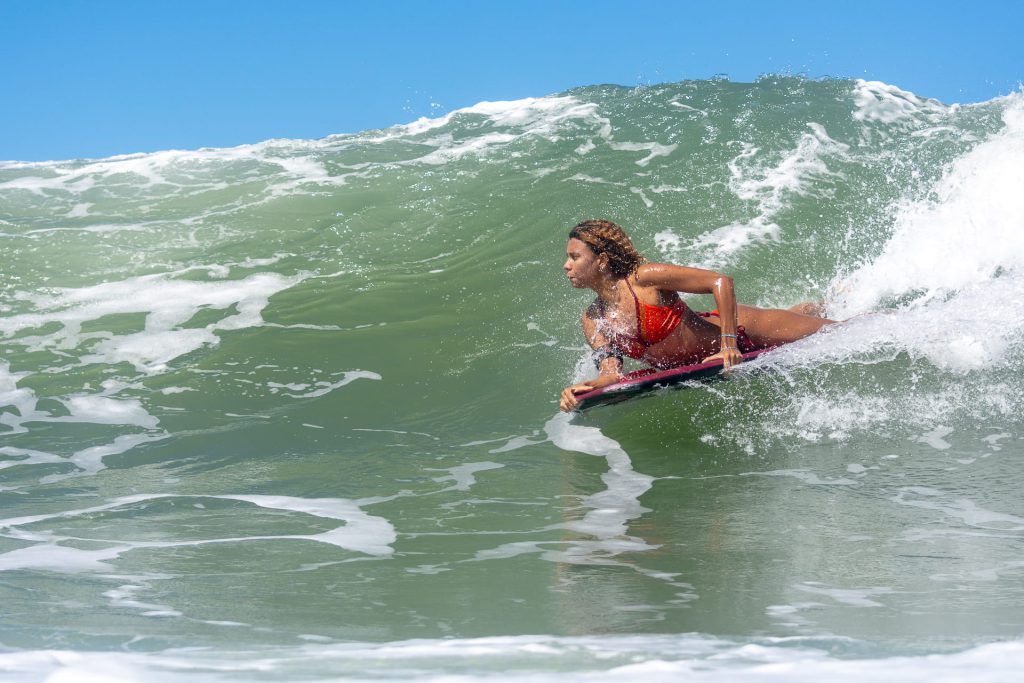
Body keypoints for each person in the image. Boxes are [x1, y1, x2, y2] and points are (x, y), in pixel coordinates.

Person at [559, 219, 833, 412]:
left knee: (839, 330)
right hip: (709, 348)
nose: (566, 266)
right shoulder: (593, 319)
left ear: (602, 261)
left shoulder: (645, 279)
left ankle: (834, 301)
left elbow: (720, 282)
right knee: (800, 319)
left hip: (744, 330)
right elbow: (611, 372)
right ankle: (809, 308)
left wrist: (728, 345)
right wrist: (587, 388)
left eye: (575, 257)